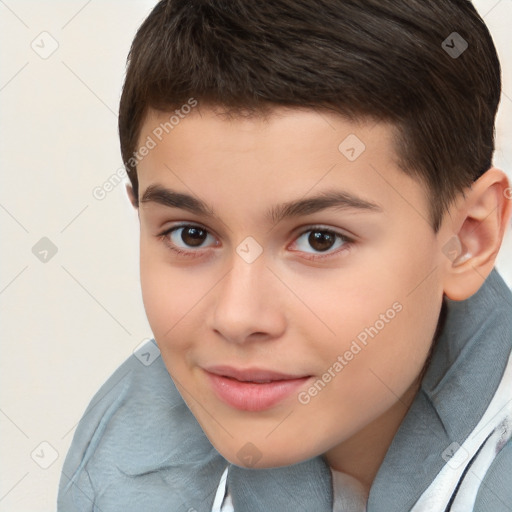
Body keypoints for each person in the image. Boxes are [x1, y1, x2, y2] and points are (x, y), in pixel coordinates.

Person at [57, 0, 512, 510]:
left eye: (320, 239)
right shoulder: (118, 464)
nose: (237, 317)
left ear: (468, 239)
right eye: (190, 234)